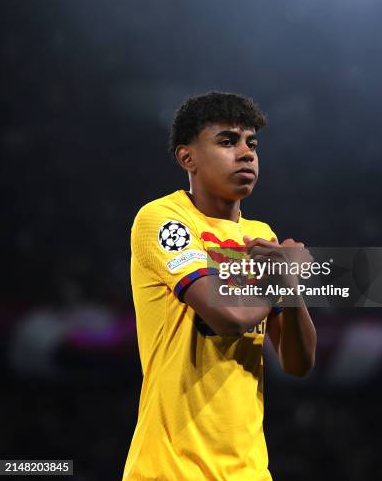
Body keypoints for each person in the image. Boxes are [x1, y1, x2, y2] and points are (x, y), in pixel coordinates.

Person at [123, 91, 316, 480]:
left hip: (249, 471)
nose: (246, 153)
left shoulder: (261, 235)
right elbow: (229, 317)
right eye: (228, 141)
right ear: (187, 158)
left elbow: (297, 364)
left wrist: (291, 286)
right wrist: (282, 277)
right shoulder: (165, 220)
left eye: (252, 144)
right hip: (171, 468)